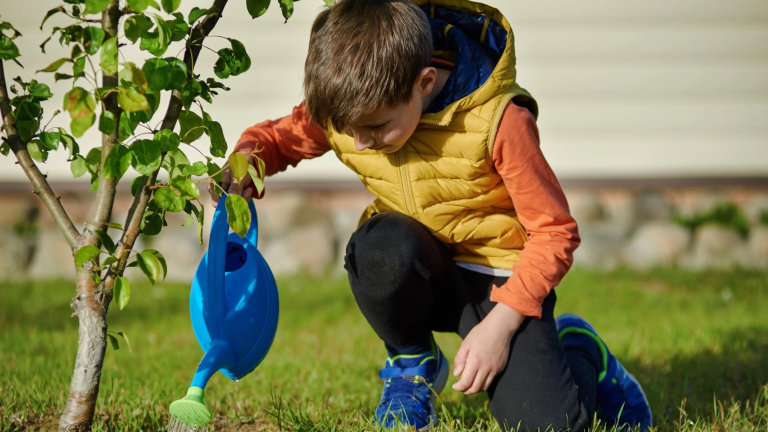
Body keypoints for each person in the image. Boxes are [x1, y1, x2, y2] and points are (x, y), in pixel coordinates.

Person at [208, 0, 652, 430]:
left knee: (546, 424)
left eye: (377, 128)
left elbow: (555, 232)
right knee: (376, 248)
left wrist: (501, 325)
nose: (360, 143)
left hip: (498, 278)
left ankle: (581, 348)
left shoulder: (499, 121)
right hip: (417, 261)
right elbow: (282, 138)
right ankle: (411, 361)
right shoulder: (353, 110)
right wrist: (246, 162)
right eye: (349, 130)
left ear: (423, 82)